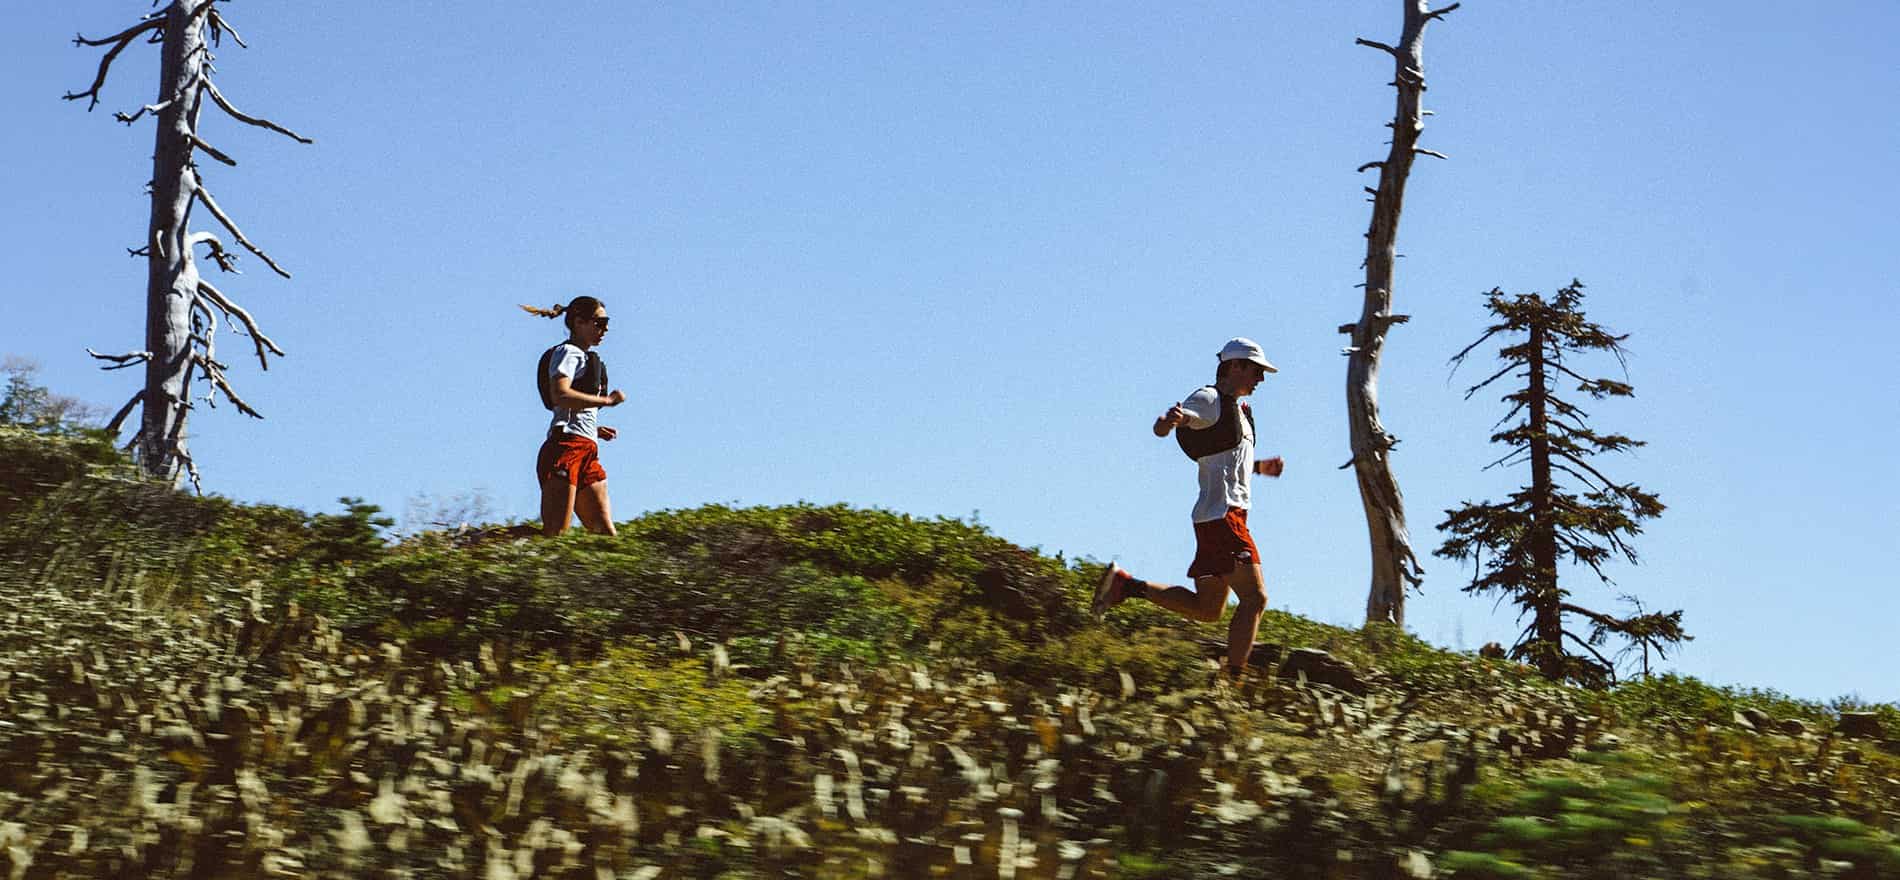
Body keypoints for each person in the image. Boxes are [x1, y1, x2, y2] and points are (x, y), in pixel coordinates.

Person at [1093, 337, 1284, 680]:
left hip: (1213, 518)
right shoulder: (1210, 399)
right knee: (1255, 600)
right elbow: (1167, 426)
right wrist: (1170, 422)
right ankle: (1233, 682)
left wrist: (1259, 468)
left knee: (1209, 609)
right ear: (1236, 366)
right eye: (1257, 371)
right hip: (1226, 518)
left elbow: (1223, 460)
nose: (1261, 379)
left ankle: (1125, 585)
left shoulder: (1241, 412)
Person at [521, 296, 627, 537]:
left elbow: (571, 408)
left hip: (587, 448)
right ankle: (477, 541)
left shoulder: (587, 359)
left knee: (605, 536)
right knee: (554, 536)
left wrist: (594, 428)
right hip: (565, 448)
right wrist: (607, 401)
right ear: (579, 322)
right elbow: (560, 394)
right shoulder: (569, 353)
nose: (605, 329)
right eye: (600, 322)